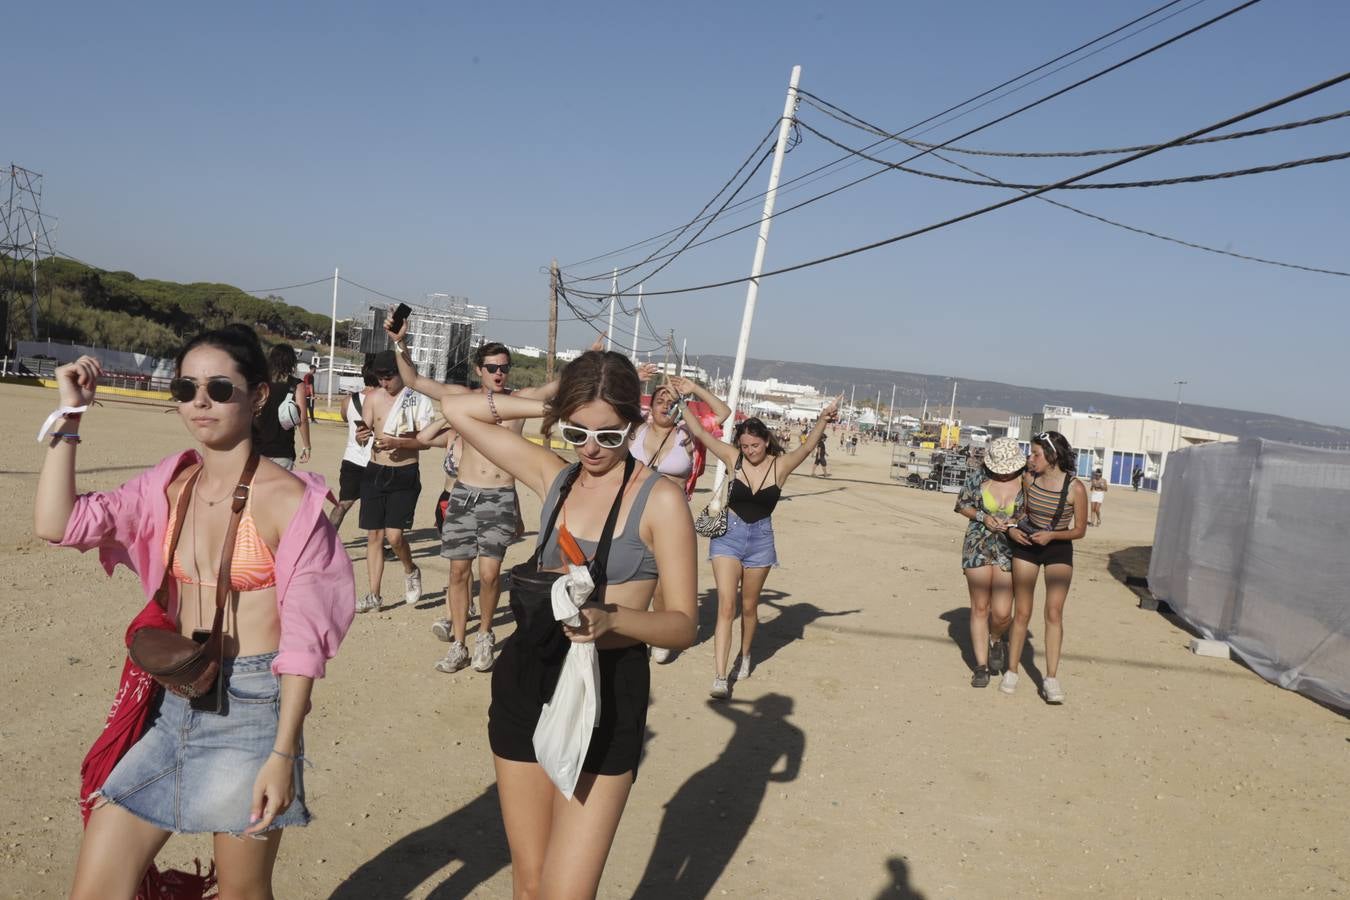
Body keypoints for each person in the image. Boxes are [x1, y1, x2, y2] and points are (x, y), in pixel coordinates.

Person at [34, 326, 355, 900]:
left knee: (241, 892)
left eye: (218, 388)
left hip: (253, 712)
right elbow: (57, 524)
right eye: (186, 388)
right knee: (97, 884)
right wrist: (71, 416)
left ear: (259, 395)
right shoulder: (169, 484)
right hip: (174, 698)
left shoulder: (291, 503)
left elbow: (305, 646)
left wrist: (282, 755)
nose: (200, 401)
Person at [440, 348, 698, 898]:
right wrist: (546, 397)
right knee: (530, 886)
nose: (591, 450)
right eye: (576, 432)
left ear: (633, 423)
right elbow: (459, 409)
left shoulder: (661, 501)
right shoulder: (554, 478)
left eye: (609, 436)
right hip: (530, 676)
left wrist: (614, 619)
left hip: (609, 687)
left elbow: (683, 625)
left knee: (566, 893)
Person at [386, 328, 569, 675]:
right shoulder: (461, 397)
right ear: (478, 370)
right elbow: (412, 379)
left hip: (499, 496)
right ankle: (459, 644)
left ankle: (484, 635)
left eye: (504, 367)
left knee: (488, 574)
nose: (499, 373)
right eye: (492, 367)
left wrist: (592, 359)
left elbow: (559, 385)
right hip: (463, 494)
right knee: (458, 572)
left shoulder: (520, 401)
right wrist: (399, 342)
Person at [683, 398, 841, 699]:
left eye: (755, 446)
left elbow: (806, 449)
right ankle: (719, 676)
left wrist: (822, 419)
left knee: (749, 607)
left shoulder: (780, 466)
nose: (750, 451)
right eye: (745, 446)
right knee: (727, 606)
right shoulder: (733, 459)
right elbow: (703, 435)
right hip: (728, 535)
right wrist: (683, 405)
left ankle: (744, 656)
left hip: (760, 540)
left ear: (766, 441)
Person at [629, 372, 731, 665]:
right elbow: (609, 402)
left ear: (679, 406)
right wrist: (634, 379)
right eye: (660, 399)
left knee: (661, 581)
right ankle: (633, 627)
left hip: (671, 519)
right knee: (631, 574)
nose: (665, 404)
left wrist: (694, 388)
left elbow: (722, 413)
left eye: (671, 400)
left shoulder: (688, 434)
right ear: (651, 404)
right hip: (632, 511)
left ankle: (658, 629)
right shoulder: (635, 429)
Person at [1005, 431, 1088, 703]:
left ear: (1052, 456)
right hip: (1027, 545)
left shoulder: (1075, 488)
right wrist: (1013, 529)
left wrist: (1052, 535)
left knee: (1054, 612)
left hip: (1058, 547)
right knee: (1022, 612)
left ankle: (1051, 678)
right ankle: (1012, 670)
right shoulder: (1029, 479)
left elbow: (1079, 531)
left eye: (1036, 454)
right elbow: (1023, 513)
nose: (1031, 458)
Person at [354, 349, 435, 613]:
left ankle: (410, 569)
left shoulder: (417, 399)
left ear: (401, 373)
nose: (384, 383)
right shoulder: (373, 398)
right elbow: (362, 433)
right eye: (380, 378)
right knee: (374, 535)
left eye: (389, 377)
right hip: (375, 471)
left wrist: (399, 442)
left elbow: (426, 442)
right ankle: (373, 594)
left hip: (405, 472)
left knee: (395, 536)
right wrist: (362, 435)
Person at [953, 437, 1025, 688]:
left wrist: (1015, 522)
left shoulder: (1027, 481)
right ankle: (980, 666)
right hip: (977, 546)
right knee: (979, 607)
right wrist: (983, 516)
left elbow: (1034, 511)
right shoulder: (978, 477)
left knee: (1003, 612)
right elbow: (961, 504)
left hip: (1010, 548)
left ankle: (996, 639)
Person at [330, 357, 379, 528]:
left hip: (352, 458)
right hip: (376, 460)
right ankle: (379, 547)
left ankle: (327, 539)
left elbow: (344, 417)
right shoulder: (384, 401)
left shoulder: (347, 401)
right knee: (378, 507)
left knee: (343, 504)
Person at [254, 344, 311, 471]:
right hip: (283, 451)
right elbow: (302, 419)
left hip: (256, 449)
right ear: (292, 362)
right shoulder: (296, 385)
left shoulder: (260, 382)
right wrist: (307, 446)